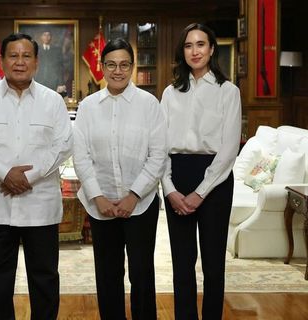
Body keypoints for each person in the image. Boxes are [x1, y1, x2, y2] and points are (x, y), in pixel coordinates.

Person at [0, 33, 73, 320]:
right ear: (1, 61)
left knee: (45, 278)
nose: (20, 62)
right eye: (13, 55)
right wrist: (4, 173)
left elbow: (63, 145)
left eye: (26, 56)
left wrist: (29, 177)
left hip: (40, 206)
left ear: (36, 62)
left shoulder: (53, 101)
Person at [73, 38, 167, 320]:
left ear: (132, 67)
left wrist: (133, 195)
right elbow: (81, 155)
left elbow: (158, 155)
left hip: (140, 205)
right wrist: (98, 197)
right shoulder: (89, 106)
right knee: (108, 275)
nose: (118, 70)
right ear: (102, 67)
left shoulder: (149, 104)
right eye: (111, 64)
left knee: (141, 273)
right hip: (101, 207)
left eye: (124, 64)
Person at [161, 23, 241, 319]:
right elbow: (160, 145)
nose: (194, 51)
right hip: (176, 174)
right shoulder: (170, 93)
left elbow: (229, 148)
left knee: (212, 262)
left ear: (211, 50)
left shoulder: (227, 91)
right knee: (182, 262)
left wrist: (200, 192)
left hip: (216, 180)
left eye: (200, 44)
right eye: (188, 45)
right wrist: (169, 188)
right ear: (182, 52)